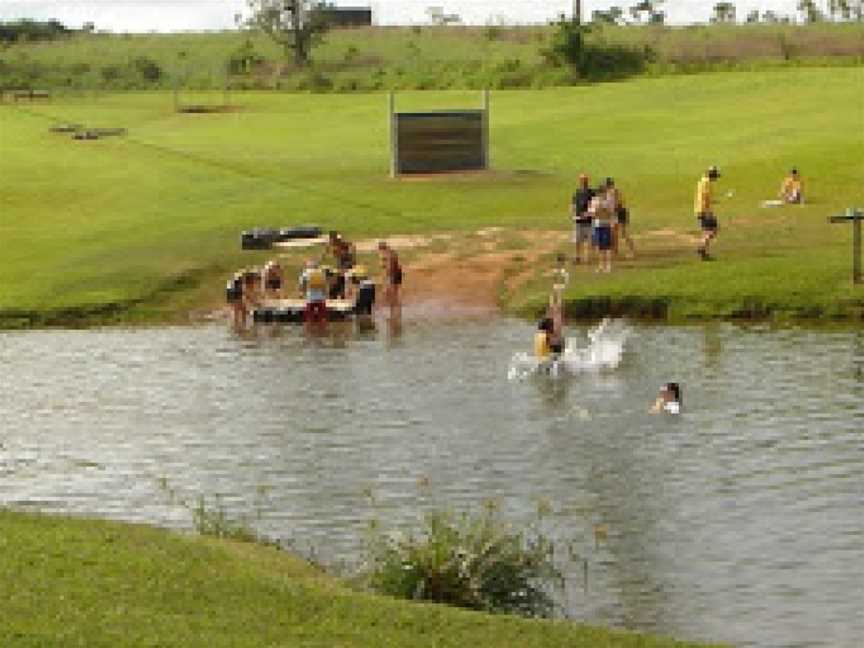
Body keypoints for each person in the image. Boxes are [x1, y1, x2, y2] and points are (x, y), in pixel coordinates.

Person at [694, 166, 721, 260]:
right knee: (713, 229)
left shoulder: (701, 181)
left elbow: (704, 197)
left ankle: (703, 251)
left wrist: (713, 201)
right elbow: (705, 198)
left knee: (707, 231)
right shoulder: (707, 183)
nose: (716, 179)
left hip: (699, 209)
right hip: (705, 210)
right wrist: (708, 211)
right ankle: (701, 248)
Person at [605, 178, 635, 259]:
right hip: (616, 214)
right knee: (614, 233)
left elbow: (618, 203)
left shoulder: (613, 191)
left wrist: (613, 211)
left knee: (623, 233)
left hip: (619, 213)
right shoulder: (610, 192)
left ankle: (631, 250)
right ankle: (615, 251)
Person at [571, 174, 595, 264]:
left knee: (588, 240)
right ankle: (577, 256)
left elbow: (593, 205)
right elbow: (573, 204)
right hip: (578, 219)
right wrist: (573, 214)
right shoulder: (577, 192)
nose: (583, 182)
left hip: (588, 220)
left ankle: (587, 257)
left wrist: (588, 214)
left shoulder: (591, 193)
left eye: (584, 180)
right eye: (582, 180)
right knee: (577, 240)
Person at [325, 231, 356, 299]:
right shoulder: (337, 248)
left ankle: (340, 295)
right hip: (342, 269)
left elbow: (350, 262)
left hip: (345, 269)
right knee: (335, 286)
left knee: (339, 286)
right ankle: (337, 295)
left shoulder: (343, 248)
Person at [590, 190, 614, 273]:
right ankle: (600, 265)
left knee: (607, 247)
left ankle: (608, 265)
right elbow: (593, 214)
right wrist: (599, 211)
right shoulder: (595, 201)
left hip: (606, 225)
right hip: (598, 226)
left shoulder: (608, 201)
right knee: (600, 247)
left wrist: (602, 211)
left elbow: (610, 213)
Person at [299, 259, 328, 324]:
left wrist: (301, 293)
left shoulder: (306, 273)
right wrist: (325, 294)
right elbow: (324, 284)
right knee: (322, 318)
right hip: (321, 298)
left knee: (309, 318)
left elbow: (302, 284)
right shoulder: (321, 272)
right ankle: (322, 331)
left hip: (310, 298)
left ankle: (311, 330)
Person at [378, 241, 402, 310]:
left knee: (391, 288)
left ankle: (393, 303)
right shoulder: (392, 252)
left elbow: (388, 266)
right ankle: (396, 303)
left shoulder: (387, 254)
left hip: (393, 272)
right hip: (397, 270)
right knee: (396, 288)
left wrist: (387, 273)